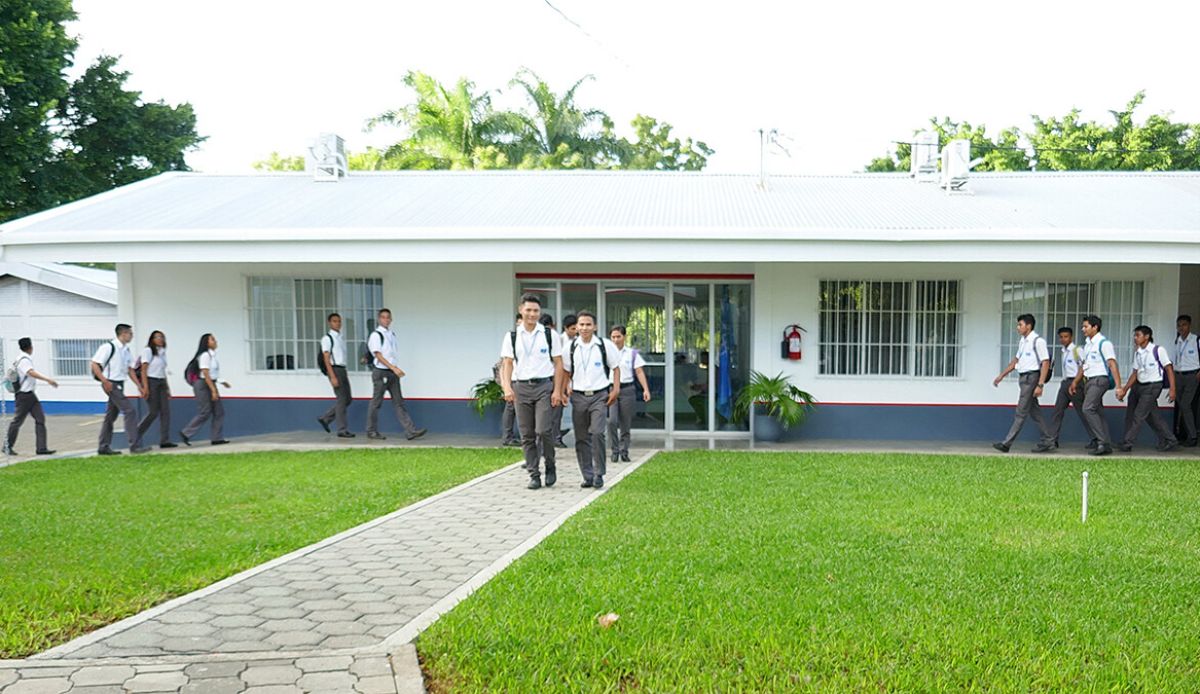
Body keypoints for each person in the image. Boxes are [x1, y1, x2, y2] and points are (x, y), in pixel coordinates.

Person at [500, 293, 564, 490]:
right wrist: (507, 387)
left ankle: (550, 465)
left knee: (543, 430)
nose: (532, 314)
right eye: (528, 310)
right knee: (527, 434)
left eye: (535, 311)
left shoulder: (548, 334)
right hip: (521, 388)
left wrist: (557, 391)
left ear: (540, 312)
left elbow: (559, 364)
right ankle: (534, 474)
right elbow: (507, 364)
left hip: (544, 386)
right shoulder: (512, 336)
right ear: (521, 310)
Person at [562, 311, 620, 488]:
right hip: (578, 396)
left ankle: (599, 473)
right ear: (576, 327)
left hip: (599, 395)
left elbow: (616, 368)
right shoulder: (570, 348)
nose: (584, 328)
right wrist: (563, 390)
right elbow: (565, 372)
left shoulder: (604, 345)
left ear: (594, 327)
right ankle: (587, 475)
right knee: (581, 437)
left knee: (596, 433)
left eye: (588, 324)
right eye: (581, 325)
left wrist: (615, 389)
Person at [992, 314, 1053, 453]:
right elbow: (1016, 361)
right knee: (1035, 412)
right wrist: (1002, 375)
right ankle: (1048, 440)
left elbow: (1045, 362)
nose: (1018, 327)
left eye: (1020, 324)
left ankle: (1007, 443)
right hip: (1024, 378)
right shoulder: (1023, 341)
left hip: (1032, 378)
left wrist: (1040, 385)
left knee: (1021, 412)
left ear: (1029, 326)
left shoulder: (1038, 341)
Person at [365, 308, 427, 441]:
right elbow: (378, 355)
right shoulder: (376, 335)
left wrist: (395, 368)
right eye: (383, 317)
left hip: (392, 371)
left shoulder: (391, 334)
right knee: (376, 402)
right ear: (378, 319)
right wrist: (393, 367)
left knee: (399, 402)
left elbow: (391, 354)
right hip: (382, 372)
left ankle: (410, 430)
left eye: (388, 317)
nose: (386, 320)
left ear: (391, 320)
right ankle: (371, 430)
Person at [1116, 325, 1178, 453]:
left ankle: (1128, 442)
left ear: (1147, 336)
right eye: (1135, 335)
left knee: (1139, 415)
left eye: (1138, 335)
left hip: (1152, 386)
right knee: (1151, 416)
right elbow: (1135, 372)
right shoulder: (1138, 352)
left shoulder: (1158, 350)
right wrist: (1125, 389)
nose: (1135, 338)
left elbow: (1169, 369)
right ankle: (1169, 439)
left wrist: (1172, 389)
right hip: (1139, 386)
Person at [92, 323, 149, 455]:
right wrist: (105, 381)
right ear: (123, 333)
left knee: (111, 415)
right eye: (130, 333)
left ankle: (103, 446)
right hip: (111, 383)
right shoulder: (108, 347)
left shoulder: (126, 350)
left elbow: (130, 370)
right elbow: (95, 364)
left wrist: (139, 386)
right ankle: (134, 445)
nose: (132, 335)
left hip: (119, 383)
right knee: (130, 411)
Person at [1070, 315, 1122, 456]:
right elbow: (1084, 365)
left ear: (1095, 327)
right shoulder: (1088, 344)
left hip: (1099, 380)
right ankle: (1106, 443)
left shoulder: (1104, 343)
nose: (1083, 329)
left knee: (1087, 408)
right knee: (1097, 411)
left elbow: (1112, 364)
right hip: (1089, 380)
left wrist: (1119, 387)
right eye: (1083, 326)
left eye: (1086, 326)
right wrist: (1075, 381)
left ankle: (1102, 442)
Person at [3, 337, 57, 456]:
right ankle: (7, 446)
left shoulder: (19, 358)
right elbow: (30, 372)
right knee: (17, 421)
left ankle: (41, 448)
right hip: (24, 395)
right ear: (30, 347)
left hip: (30, 395)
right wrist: (48, 379)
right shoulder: (24, 360)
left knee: (40, 419)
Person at [608, 325, 651, 463]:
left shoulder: (631, 353)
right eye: (613, 337)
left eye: (618, 336)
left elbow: (639, 371)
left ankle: (624, 450)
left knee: (625, 422)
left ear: (624, 337)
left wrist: (645, 389)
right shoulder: (607, 353)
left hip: (627, 390)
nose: (615, 340)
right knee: (612, 421)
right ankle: (614, 449)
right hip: (611, 389)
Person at [1045, 327, 1092, 450]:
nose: (1063, 339)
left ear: (1071, 337)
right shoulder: (1063, 351)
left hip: (1076, 383)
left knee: (1083, 412)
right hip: (1066, 383)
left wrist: (1076, 382)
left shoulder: (1077, 350)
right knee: (1057, 411)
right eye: (1061, 337)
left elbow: (1083, 368)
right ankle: (1052, 440)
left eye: (1066, 336)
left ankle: (1096, 438)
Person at [180, 333, 231, 446]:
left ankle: (216, 438)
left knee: (219, 411)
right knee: (205, 411)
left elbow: (213, 374)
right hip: (202, 384)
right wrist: (213, 390)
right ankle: (186, 433)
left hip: (210, 383)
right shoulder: (204, 356)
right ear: (207, 343)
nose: (215, 341)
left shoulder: (212, 356)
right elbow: (205, 374)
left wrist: (222, 382)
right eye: (213, 339)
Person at [136, 330, 177, 449]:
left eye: (162, 337)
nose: (160, 339)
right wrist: (145, 387)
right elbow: (144, 370)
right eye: (157, 337)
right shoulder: (148, 351)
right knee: (153, 412)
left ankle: (165, 440)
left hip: (161, 382)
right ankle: (136, 435)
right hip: (151, 381)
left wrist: (168, 388)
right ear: (152, 339)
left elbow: (163, 371)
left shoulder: (162, 353)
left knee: (165, 412)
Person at [317, 312, 355, 438]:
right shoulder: (327, 339)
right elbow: (326, 358)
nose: (337, 323)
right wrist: (332, 376)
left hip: (342, 369)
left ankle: (326, 418)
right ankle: (342, 429)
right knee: (342, 399)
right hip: (334, 369)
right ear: (329, 322)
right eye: (334, 321)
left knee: (347, 399)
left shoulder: (340, 338)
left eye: (339, 321)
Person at [553, 313, 578, 448]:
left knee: (562, 410)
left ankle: (558, 433)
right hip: (559, 380)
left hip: (571, 380)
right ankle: (556, 437)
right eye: (573, 328)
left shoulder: (577, 341)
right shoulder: (560, 341)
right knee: (556, 410)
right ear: (566, 328)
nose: (575, 331)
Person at [1174, 314, 1199, 446]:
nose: (1181, 327)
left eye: (1184, 324)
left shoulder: (1196, 340)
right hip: (1178, 376)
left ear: (1189, 325)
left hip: (1192, 376)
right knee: (1181, 405)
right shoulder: (1177, 340)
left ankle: (1193, 436)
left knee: (1185, 405)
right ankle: (1182, 434)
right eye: (1179, 325)